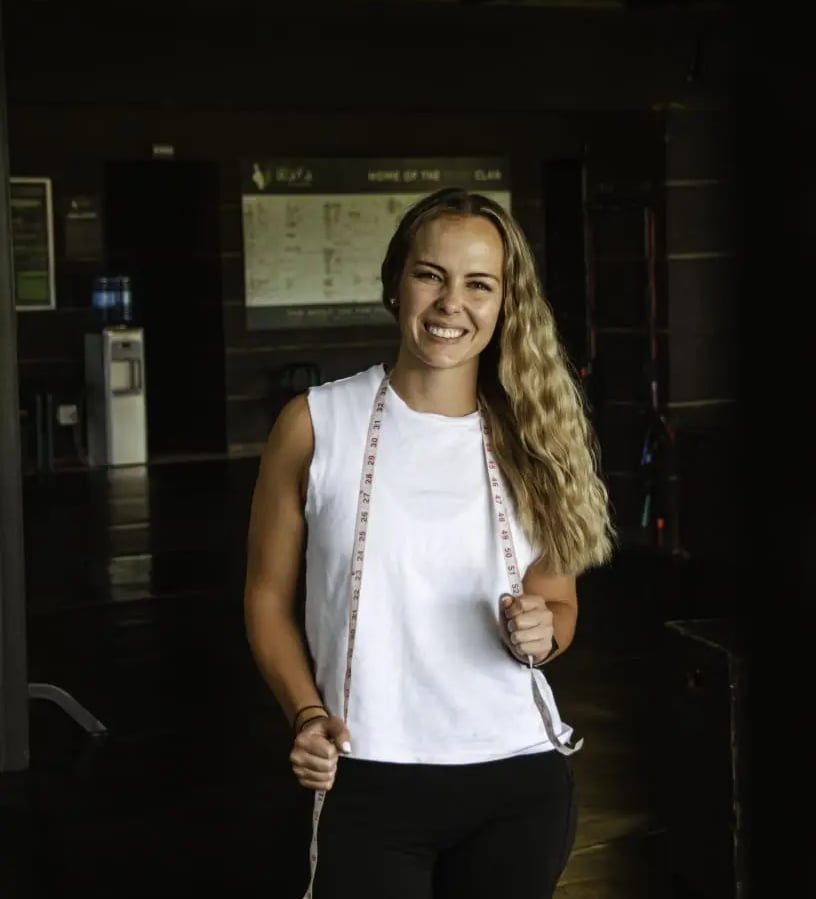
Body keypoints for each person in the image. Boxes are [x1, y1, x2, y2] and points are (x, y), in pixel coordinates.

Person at [243, 187, 614, 899]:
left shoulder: (538, 439)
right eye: (430, 275)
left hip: (516, 776)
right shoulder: (316, 424)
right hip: (369, 771)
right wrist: (307, 712)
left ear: (506, 303)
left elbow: (559, 606)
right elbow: (265, 599)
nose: (451, 304)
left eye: (479, 284)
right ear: (395, 284)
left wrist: (543, 632)